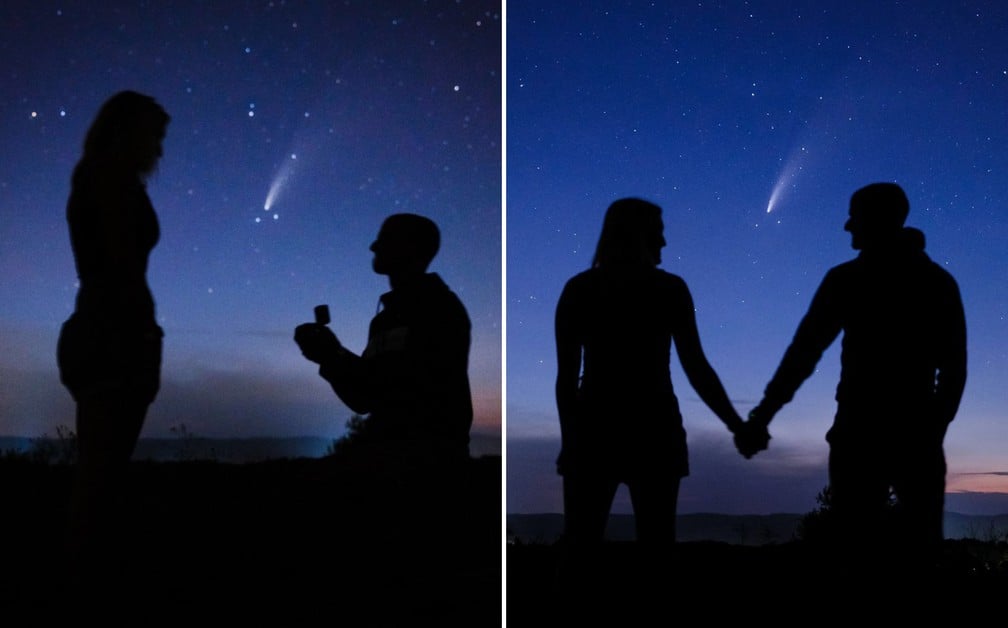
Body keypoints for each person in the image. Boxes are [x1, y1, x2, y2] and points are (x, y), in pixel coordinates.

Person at [736, 182, 967, 575]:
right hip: (908, 434)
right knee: (918, 549)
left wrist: (762, 415)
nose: (846, 226)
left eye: (854, 216)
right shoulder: (936, 282)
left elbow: (803, 354)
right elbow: (954, 369)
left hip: (862, 433)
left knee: (854, 550)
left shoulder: (848, 279)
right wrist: (933, 428)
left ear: (877, 220)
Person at [554, 197, 745, 556]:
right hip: (653, 430)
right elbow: (697, 368)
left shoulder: (580, 289)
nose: (664, 243)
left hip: (597, 430)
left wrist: (571, 441)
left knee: (582, 545)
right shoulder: (668, 289)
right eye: (658, 233)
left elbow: (567, 380)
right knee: (654, 547)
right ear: (637, 234)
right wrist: (737, 426)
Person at [56, 91, 170, 568]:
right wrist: (140, 336)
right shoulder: (106, 180)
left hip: (111, 333)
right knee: (100, 481)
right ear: (126, 130)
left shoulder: (106, 179)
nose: (160, 148)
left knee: (101, 478)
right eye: (154, 135)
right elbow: (117, 267)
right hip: (113, 336)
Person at [294, 213, 474, 463]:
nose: (373, 246)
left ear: (410, 248)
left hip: (427, 466)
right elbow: (365, 398)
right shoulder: (384, 320)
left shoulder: (440, 309)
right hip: (392, 461)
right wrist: (330, 356)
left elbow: (400, 393)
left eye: (385, 239)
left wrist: (334, 356)